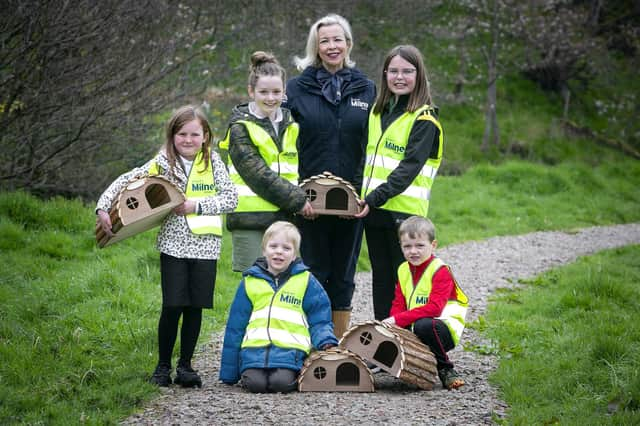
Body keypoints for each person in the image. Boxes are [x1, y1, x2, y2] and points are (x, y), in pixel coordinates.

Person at [96, 105, 238, 387]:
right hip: (173, 244)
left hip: (205, 246)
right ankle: (162, 367)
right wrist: (102, 206)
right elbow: (129, 179)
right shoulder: (162, 162)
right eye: (182, 133)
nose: (188, 139)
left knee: (195, 307)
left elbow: (231, 198)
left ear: (206, 136)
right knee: (172, 305)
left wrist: (195, 206)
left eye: (195, 134)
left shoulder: (213, 162)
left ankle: (186, 366)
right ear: (172, 136)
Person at [284, 13, 376, 339]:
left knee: (344, 275)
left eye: (338, 39)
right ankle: (311, 342)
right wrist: (293, 195)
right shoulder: (295, 89)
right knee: (312, 271)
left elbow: (376, 144)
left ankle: (335, 345)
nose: (332, 46)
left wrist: (370, 193)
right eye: (325, 41)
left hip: (353, 202)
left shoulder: (367, 89)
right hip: (309, 202)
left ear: (348, 44)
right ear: (316, 47)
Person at [355, 45, 444, 321]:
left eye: (407, 71)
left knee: (407, 284)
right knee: (382, 280)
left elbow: (409, 169)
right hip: (375, 211)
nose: (399, 77)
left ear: (419, 75)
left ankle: (413, 346)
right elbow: (366, 159)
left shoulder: (425, 118)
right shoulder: (376, 113)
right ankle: (384, 342)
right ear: (384, 74)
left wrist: (372, 198)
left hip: (404, 216)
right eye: (393, 71)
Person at [219, 51, 313, 272]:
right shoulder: (239, 127)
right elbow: (257, 174)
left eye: (276, 92)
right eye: (263, 92)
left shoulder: (293, 125)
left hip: (284, 220)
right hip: (250, 220)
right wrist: (299, 201)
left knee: (285, 284)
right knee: (254, 283)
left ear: (284, 92)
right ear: (251, 91)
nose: (271, 98)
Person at [219, 221, 338, 393]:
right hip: (254, 352)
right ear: (264, 250)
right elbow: (235, 327)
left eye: (286, 248)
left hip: (290, 353)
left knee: (280, 384)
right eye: (273, 246)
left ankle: (295, 373)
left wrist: (326, 341)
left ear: (294, 254)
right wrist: (229, 374)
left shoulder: (305, 280)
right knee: (255, 385)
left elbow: (320, 317)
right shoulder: (249, 282)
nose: (279, 252)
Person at [381, 216, 468, 390]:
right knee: (390, 327)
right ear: (400, 246)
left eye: (420, 246)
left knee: (423, 325)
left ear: (433, 245)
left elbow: (435, 308)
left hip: (443, 329)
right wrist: (392, 325)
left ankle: (445, 369)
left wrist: (398, 320)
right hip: (417, 324)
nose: (413, 251)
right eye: (407, 246)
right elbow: (398, 303)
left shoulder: (440, 270)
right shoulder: (403, 269)